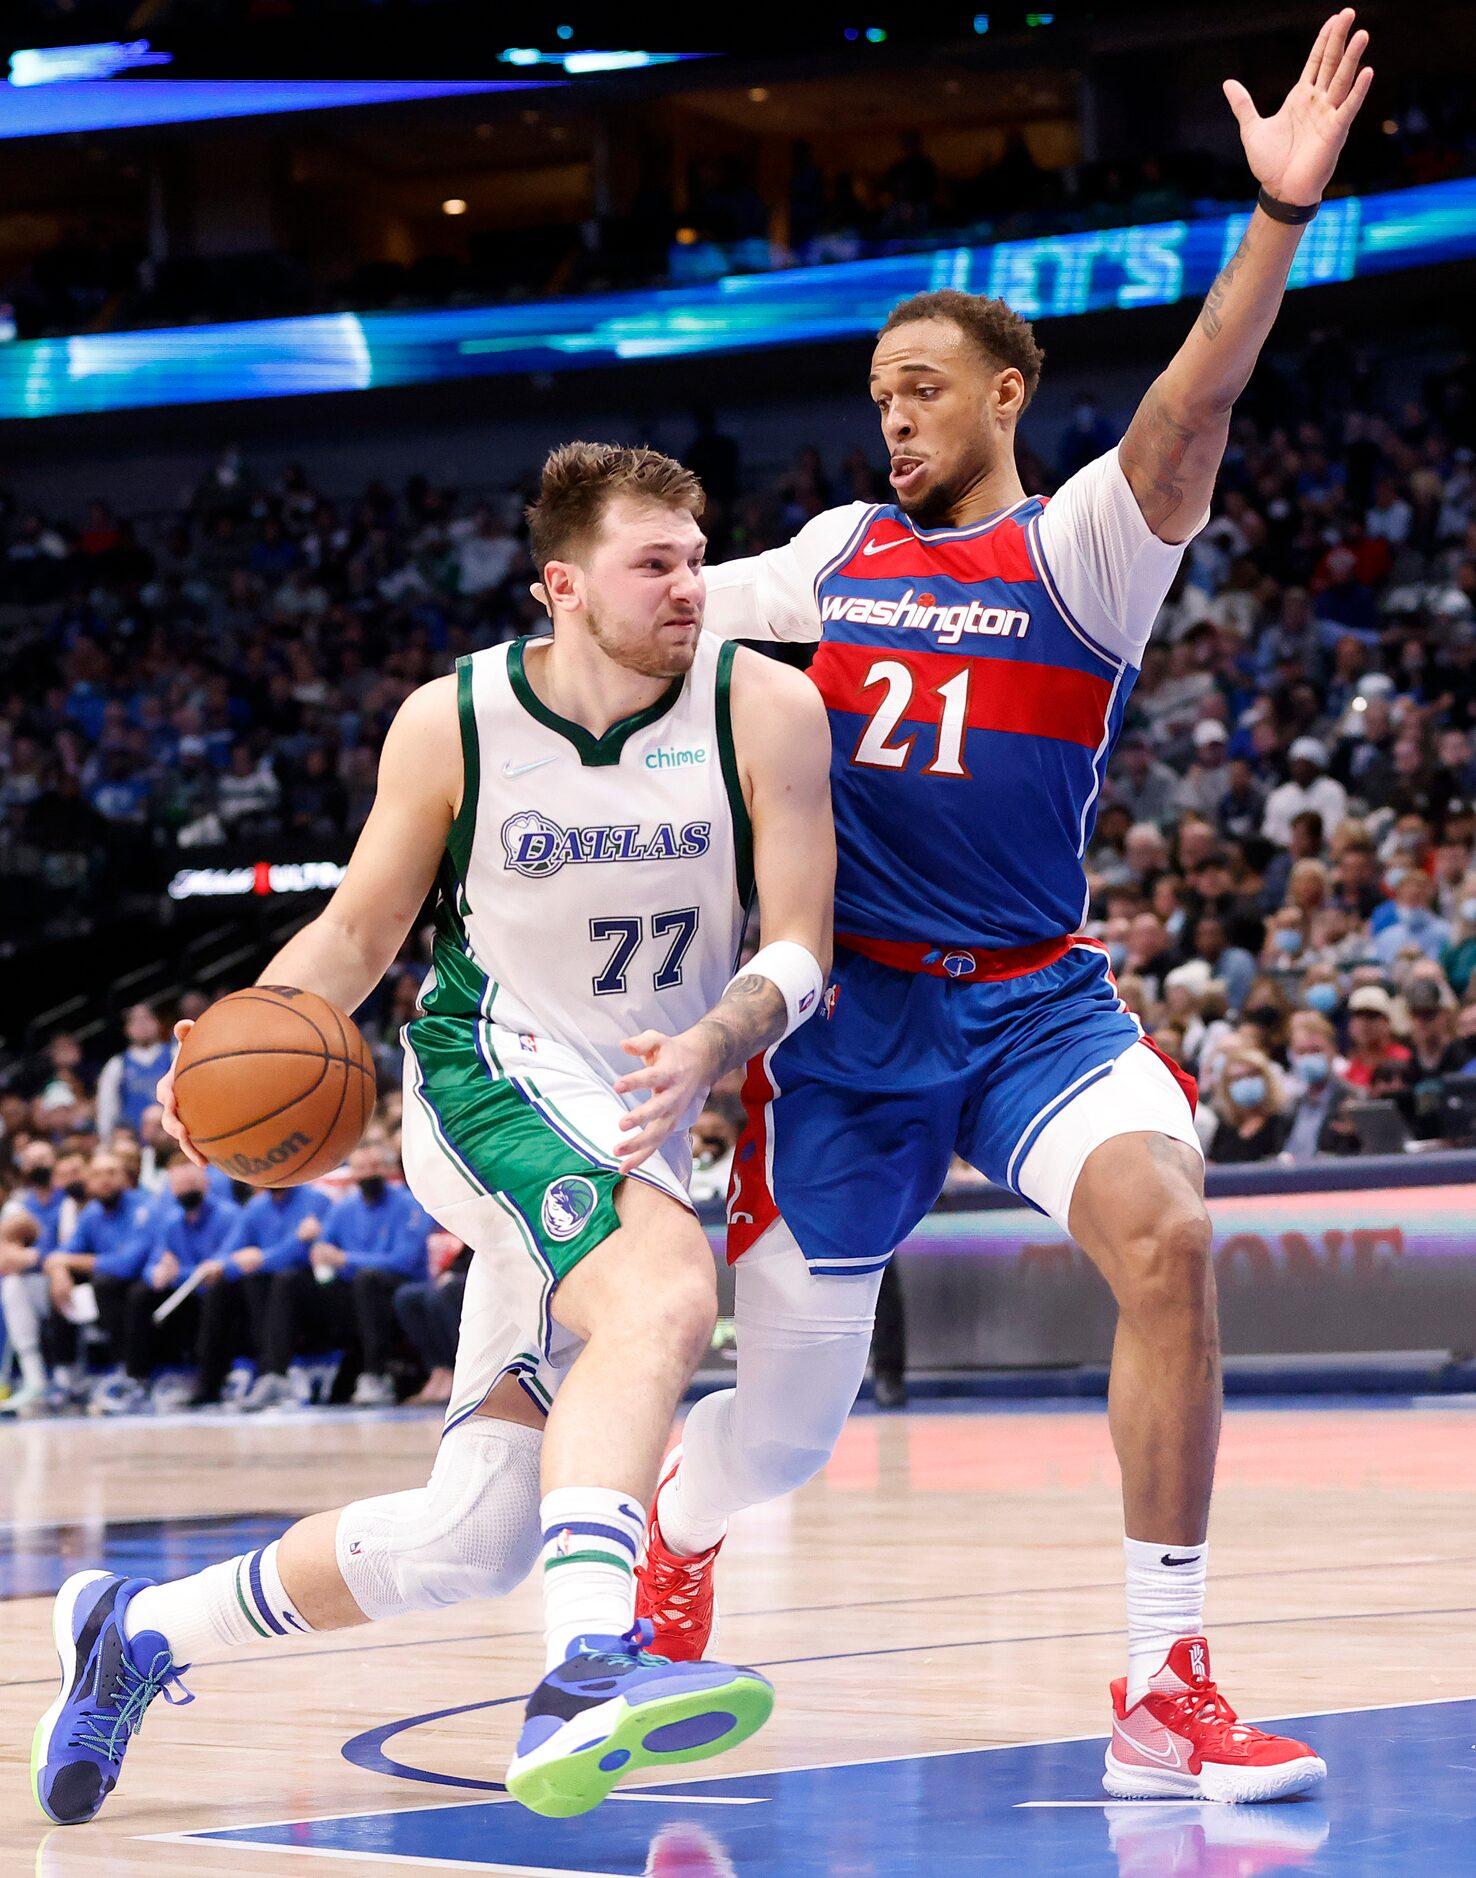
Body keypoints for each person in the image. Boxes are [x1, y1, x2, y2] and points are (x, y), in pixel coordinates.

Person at [636, 12, 1372, 1805]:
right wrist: (568, 612)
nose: (891, 409)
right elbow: (658, 614)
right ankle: (676, 1523)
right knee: (786, 1438)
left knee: (1168, 1236)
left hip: (1038, 1002)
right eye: (876, 388)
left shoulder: (1084, 551)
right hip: (854, 1027)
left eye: (922, 382)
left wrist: (1270, 222)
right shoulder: (828, 557)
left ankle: (1160, 1677)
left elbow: (1194, 402)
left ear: (1002, 396)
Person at [33, 441, 835, 1826]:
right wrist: (242, 1027)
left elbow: (801, 946)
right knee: (662, 1292)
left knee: (473, 1537)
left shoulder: (764, 707)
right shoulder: (453, 718)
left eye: (700, 556)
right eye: (658, 563)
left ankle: (138, 1630)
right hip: (488, 1076)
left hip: (645, 1100)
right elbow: (357, 930)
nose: (692, 585)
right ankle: (590, 1669)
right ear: (563, 586)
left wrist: (719, 1034)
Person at [93, 1003, 176, 1140]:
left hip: (172, 1135)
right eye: (136, 1020)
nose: (142, 1025)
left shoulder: (175, 1054)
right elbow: (107, 1106)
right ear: (127, 1029)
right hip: (135, 1138)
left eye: (147, 1019)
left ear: (158, 1023)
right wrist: (106, 1139)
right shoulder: (117, 1065)